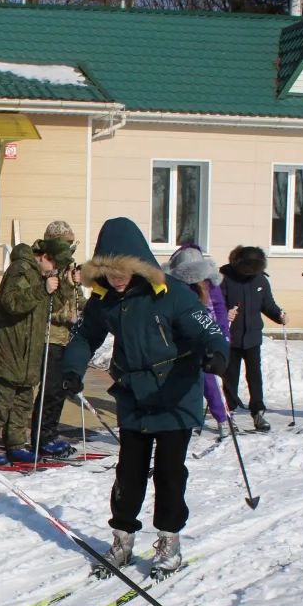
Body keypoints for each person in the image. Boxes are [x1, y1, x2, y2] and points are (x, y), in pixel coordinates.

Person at [60, 217, 228, 580]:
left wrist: (216, 354)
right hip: (134, 396)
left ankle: (169, 541)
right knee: (129, 473)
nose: (117, 277)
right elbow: (83, 338)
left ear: (139, 264)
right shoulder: (104, 301)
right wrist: (72, 369)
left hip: (175, 395)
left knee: (169, 474)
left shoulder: (172, 294)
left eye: (124, 269)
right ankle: (122, 539)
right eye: (110, 270)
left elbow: (210, 329)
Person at [0, 230, 72, 464]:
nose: (53, 271)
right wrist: (43, 288)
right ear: (44, 256)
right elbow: (12, 303)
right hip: (7, 351)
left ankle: (16, 444)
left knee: (22, 402)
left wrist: (66, 286)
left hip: (27, 353)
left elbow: (50, 306)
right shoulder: (21, 268)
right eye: (54, 265)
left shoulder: (39, 275)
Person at [164, 243, 230, 437]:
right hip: (181, 342)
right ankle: (184, 418)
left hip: (206, 339)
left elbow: (220, 312)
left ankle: (221, 418)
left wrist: (223, 337)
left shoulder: (211, 286)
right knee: (183, 382)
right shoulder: (175, 287)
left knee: (208, 382)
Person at [29, 220, 82, 458]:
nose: (68, 249)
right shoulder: (43, 265)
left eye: (71, 244)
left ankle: (49, 432)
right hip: (47, 335)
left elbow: (76, 302)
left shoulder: (67, 266)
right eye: (65, 243)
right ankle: (41, 436)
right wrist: (70, 288)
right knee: (49, 388)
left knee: (59, 388)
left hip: (64, 338)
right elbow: (50, 307)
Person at [220, 246, 287, 432]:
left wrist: (279, 315)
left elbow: (268, 304)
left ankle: (258, 412)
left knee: (254, 376)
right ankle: (229, 412)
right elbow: (214, 306)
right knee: (230, 376)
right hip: (231, 337)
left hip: (252, 338)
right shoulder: (224, 278)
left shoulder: (260, 280)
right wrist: (224, 315)